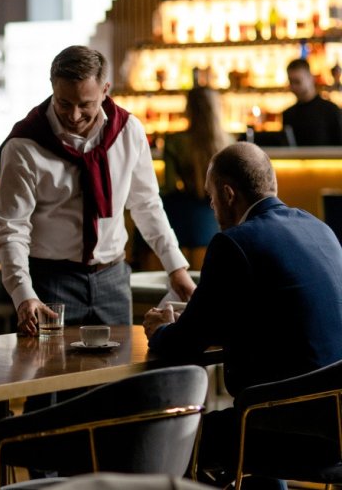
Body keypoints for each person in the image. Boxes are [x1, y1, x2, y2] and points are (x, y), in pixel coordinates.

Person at [144, 142, 342, 489]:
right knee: (262, 402)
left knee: (169, 438)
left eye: (211, 198)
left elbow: (185, 344)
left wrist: (160, 329)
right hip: (335, 421)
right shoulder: (320, 229)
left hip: (287, 426)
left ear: (228, 194)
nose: (212, 208)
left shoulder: (234, 243)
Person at [0, 45, 194, 337]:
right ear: (52, 87)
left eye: (84, 104)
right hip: (50, 282)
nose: (74, 115)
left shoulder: (128, 131)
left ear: (105, 90)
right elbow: (12, 229)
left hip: (113, 278)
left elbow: (146, 204)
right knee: (51, 366)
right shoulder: (24, 145)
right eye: (64, 103)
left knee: (122, 364)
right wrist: (23, 294)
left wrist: (175, 269)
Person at [160, 85, 232, 263]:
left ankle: (139, 262)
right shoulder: (229, 143)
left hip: (183, 218)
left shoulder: (174, 141)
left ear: (189, 109)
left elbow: (169, 186)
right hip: (218, 218)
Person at [281, 58, 342, 146]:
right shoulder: (288, 114)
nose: (293, 87)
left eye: (298, 82)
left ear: (311, 78)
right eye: (291, 82)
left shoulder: (331, 111)